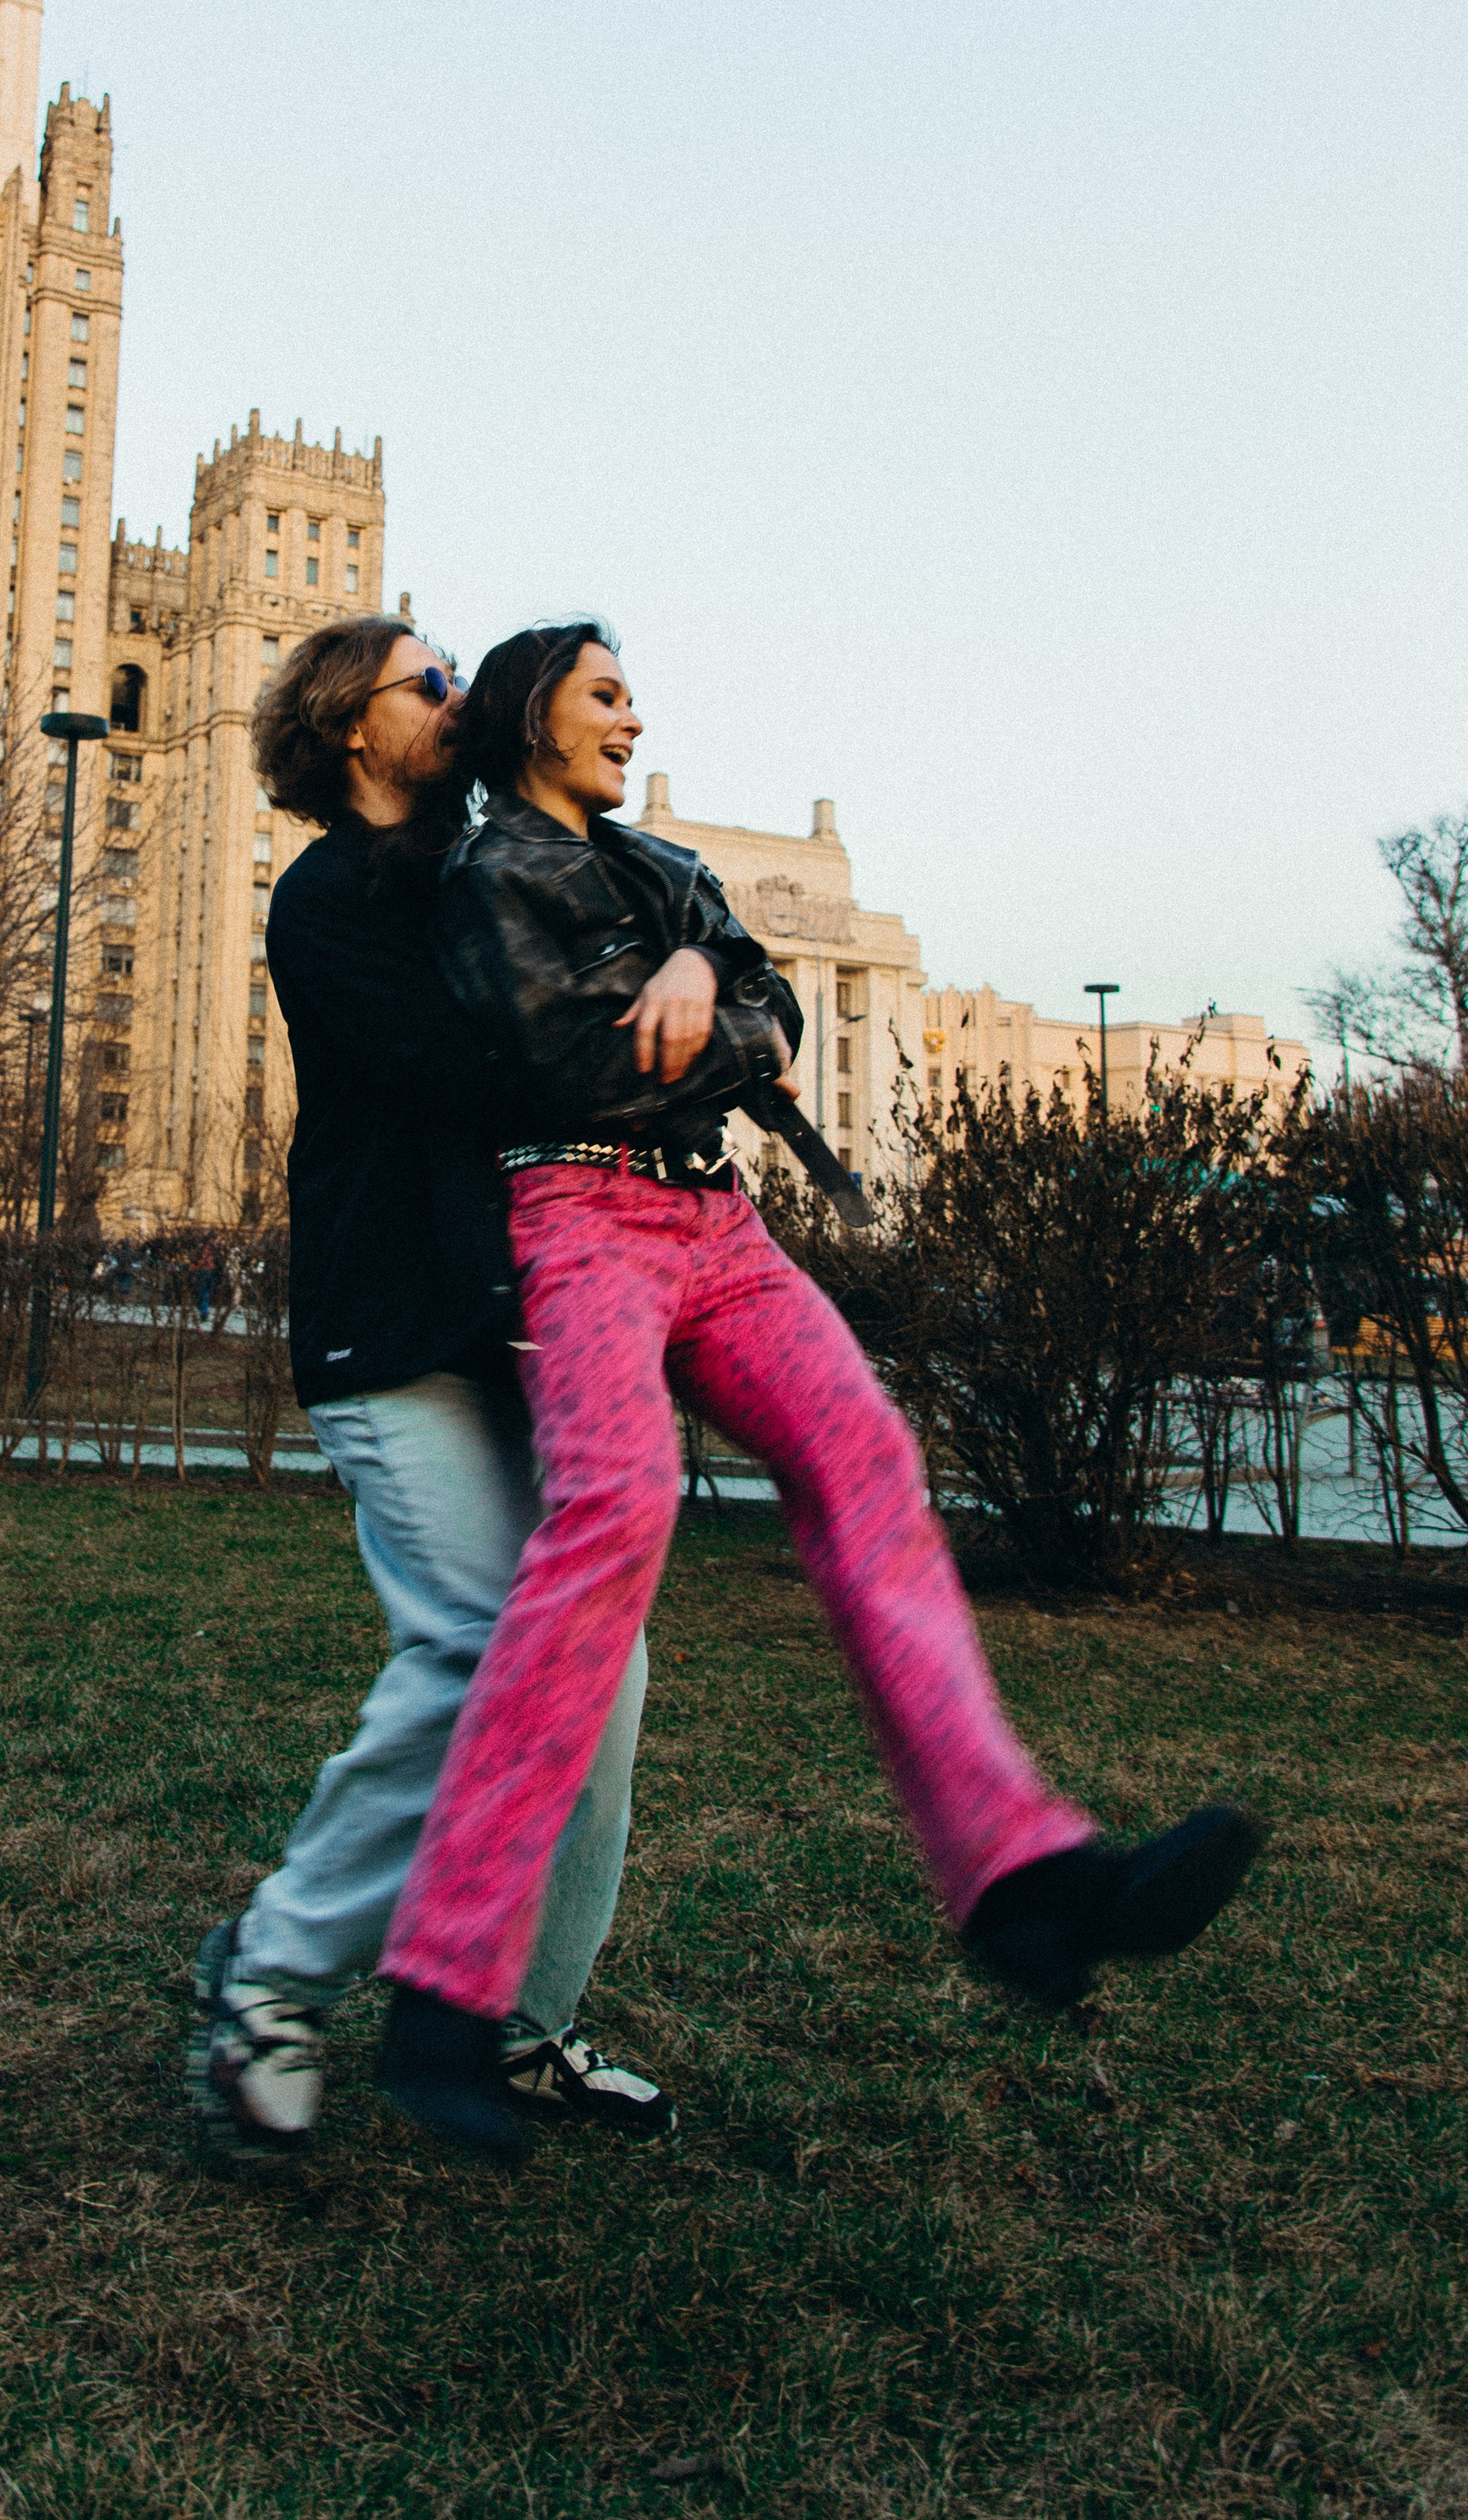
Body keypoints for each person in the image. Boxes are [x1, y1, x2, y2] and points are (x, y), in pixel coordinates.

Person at [374, 622, 1263, 2160]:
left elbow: (769, 1015)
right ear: (532, 715)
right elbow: (580, 1066)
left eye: (633, 695)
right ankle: (447, 1992)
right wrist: (710, 1014)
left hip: (720, 1227)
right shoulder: (485, 878)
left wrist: (703, 973)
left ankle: (1024, 1884)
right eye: (604, 694)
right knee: (617, 1515)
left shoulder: (666, 872)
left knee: (868, 1461)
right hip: (574, 1218)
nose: (632, 716)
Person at [185, 613, 676, 2157]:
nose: (461, 700)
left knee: (602, 1669)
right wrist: (646, 1036)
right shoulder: (329, 899)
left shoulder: (484, 867)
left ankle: (522, 2024)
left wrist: (681, 963)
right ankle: (266, 1987)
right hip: (387, 1327)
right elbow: (480, 1071)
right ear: (351, 726)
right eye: (432, 682)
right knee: (477, 1647)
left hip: (509, 1322)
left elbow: (618, 938)